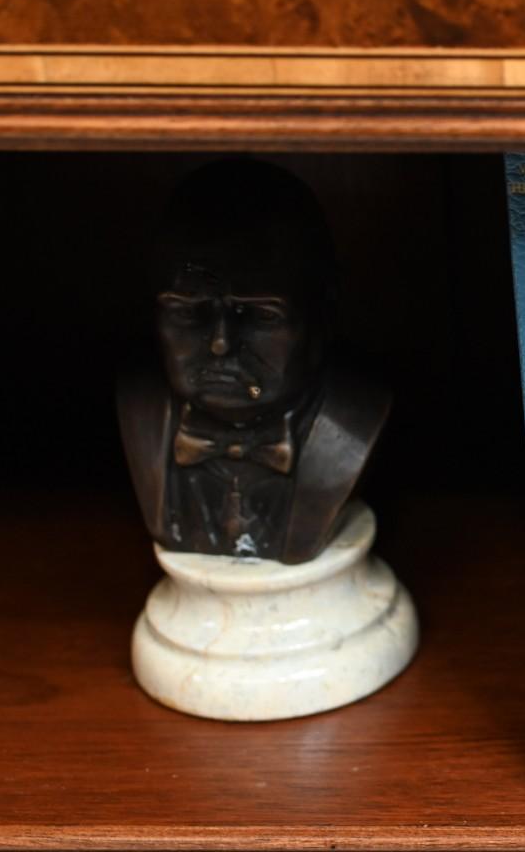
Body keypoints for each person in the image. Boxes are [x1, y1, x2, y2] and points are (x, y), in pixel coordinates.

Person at [117, 160, 388, 564]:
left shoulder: (356, 417)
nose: (221, 344)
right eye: (189, 313)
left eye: (261, 316)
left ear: (324, 315)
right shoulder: (138, 406)